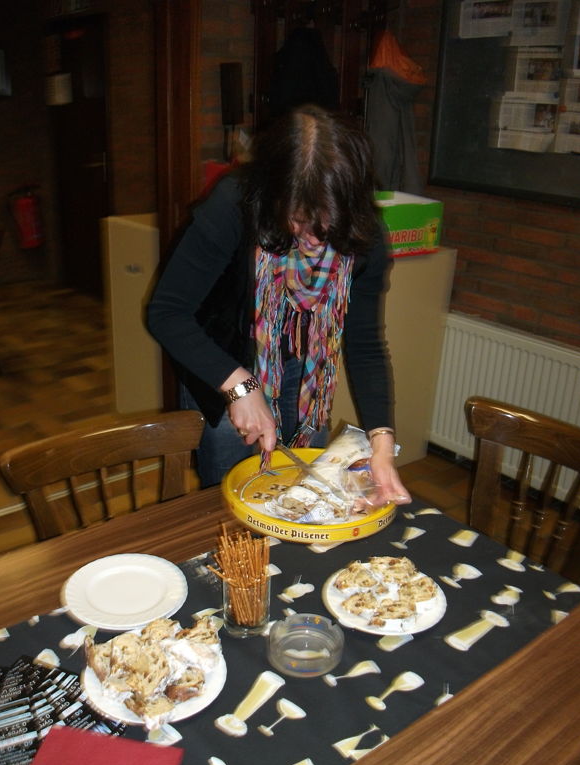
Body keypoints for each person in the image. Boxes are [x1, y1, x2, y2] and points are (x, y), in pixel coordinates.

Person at [147, 104, 411, 507]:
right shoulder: (234, 204)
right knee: (231, 500)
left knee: (301, 495)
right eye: (300, 219)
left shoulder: (365, 233)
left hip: (306, 378)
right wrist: (240, 386)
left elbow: (365, 345)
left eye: (328, 224)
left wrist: (382, 442)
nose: (314, 239)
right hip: (223, 361)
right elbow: (166, 313)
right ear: (274, 193)